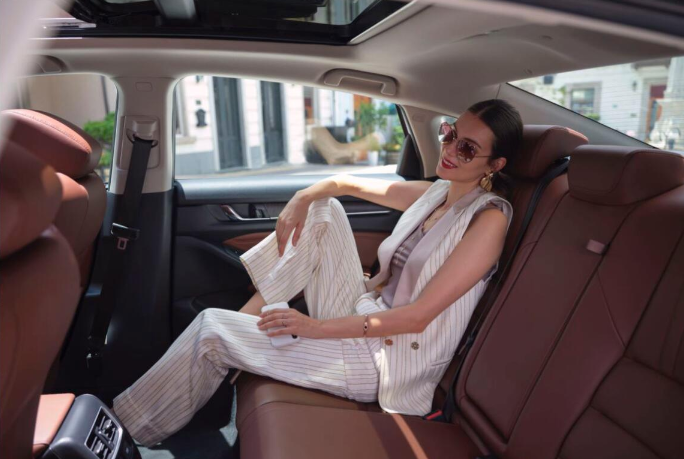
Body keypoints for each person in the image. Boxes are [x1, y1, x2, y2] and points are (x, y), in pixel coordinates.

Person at [112, 99, 522, 447]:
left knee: (211, 329)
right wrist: (303, 196)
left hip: (389, 361)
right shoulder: (437, 193)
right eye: (450, 134)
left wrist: (313, 328)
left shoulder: (488, 220)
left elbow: (417, 318)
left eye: (467, 148)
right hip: (368, 312)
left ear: (495, 164)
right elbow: (345, 183)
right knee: (324, 209)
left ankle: (124, 436)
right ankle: (247, 329)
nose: (449, 148)